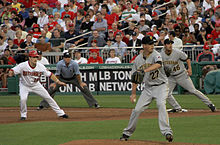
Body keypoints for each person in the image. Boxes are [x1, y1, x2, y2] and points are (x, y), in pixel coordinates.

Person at [120, 36, 173, 142]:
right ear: (144, 46)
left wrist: (144, 71)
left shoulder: (156, 54)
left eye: (153, 43)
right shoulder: (138, 60)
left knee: (161, 104)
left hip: (161, 86)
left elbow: (158, 64)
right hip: (148, 88)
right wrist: (133, 93)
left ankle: (167, 132)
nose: (152, 45)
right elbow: (134, 77)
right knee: (137, 110)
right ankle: (127, 133)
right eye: (150, 44)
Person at [8, 50, 68, 120]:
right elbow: (12, 70)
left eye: (36, 57)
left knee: (48, 97)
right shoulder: (23, 65)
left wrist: (58, 81)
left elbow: (50, 74)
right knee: (23, 99)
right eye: (33, 57)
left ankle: (61, 113)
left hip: (36, 85)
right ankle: (23, 115)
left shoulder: (40, 66)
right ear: (29, 58)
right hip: (24, 85)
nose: (35, 59)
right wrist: (10, 73)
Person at [160, 39, 216, 113]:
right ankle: (177, 108)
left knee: (193, 90)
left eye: (171, 44)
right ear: (164, 45)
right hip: (171, 77)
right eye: (168, 44)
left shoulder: (177, 52)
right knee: (166, 93)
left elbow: (187, 59)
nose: (170, 45)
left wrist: (189, 69)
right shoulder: (161, 54)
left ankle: (210, 104)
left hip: (181, 75)